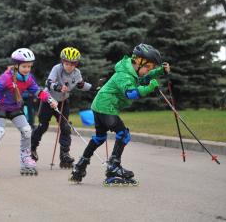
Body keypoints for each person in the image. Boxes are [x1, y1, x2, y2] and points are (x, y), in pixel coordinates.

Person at [69, 44, 170, 186]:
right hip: (106, 107)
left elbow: (143, 77)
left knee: (99, 137)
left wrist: (160, 71)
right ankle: (113, 168)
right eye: (149, 67)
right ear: (139, 62)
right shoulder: (124, 75)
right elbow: (131, 93)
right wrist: (150, 88)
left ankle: (79, 167)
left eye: (152, 68)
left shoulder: (130, 70)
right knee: (123, 134)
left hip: (100, 106)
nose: (149, 70)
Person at [0, 48, 58, 178]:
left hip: (14, 108)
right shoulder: (6, 77)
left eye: (29, 66)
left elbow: (37, 91)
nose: (27, 69)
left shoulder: (28, 78)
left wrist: (50, 99)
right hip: (0, 107)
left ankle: (25, 158)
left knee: (27, 130)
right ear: (16, 65)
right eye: (24, 66)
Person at [31, 47, 96, 168]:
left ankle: (64, 155)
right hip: (48, 100)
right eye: (66, 63)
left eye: (72, 64)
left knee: (65, 127)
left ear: (75, 64)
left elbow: (81, 85)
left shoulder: (76, 73)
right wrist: (58, 87)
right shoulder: (57, 68)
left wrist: (94, 88)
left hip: (63, 101)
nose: (69, 66)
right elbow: (48, 83)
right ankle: (32, 147)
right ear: (62, 62)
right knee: (43, 126)